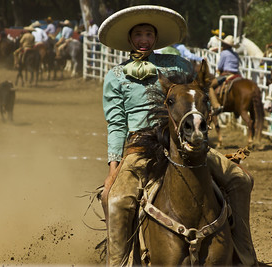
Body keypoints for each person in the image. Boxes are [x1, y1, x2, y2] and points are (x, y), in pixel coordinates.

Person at [98, 5, 257, 266]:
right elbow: (116, 124)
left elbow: (194, 96)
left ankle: (245, 256)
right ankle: (118, 263)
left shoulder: (176, 64)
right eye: (138, 34)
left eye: (148, 34)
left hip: (181, 139)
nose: (143, 40)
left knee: (241, 180)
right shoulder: (115, 77)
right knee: (116, 199)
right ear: (129, 39)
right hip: (139, 147)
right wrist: (113, 167)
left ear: (155, 38)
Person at [208, 35, 241, 114]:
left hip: (226, 75)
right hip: (237, 75)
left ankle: (216, 105)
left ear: (225, 45)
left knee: (210, 86)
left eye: (223, 44)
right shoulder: (236, 54)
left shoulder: (224, 53)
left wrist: (218, 70)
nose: (222, 45)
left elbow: (220, 66)